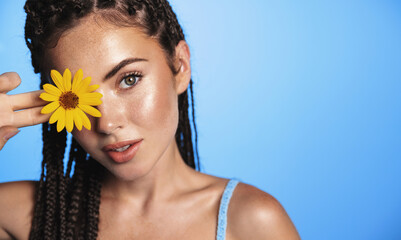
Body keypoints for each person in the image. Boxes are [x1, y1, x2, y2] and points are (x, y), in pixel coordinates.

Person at [0, 0, 301, 239]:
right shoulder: (18, 215)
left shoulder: (253, 222)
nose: (105, 123)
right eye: (76, 98)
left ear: (180, 66)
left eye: (129, 80)